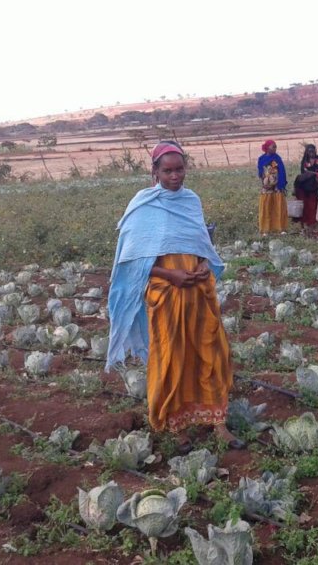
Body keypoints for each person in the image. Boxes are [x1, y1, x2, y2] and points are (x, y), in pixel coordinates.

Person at [106, 141, 245, 451]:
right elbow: (133, 259)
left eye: (179, 169)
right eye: (167, 170)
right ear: (154, 172)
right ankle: (176, 426)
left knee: (211, 351)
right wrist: (171, 275)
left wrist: (203, 264)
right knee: (173, 356)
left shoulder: (191, 201)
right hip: (167, 292)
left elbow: (201, 242)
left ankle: (218, 422)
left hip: (198, 290)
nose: (174, 176)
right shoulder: (144, 205)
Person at [257, 139, 289, 234]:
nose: (275, 148)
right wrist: (264, 182)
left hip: (277, 187)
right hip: (267, 187)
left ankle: (280, 228)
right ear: (267, 148)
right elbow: (260, 171)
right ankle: (266, 229)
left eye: (276, 146)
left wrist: (281, 184)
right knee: (266, 207)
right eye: (273, 146)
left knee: (278, 207)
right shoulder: (261, 159)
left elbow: (281, 170)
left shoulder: (276, 158)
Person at [293, 143, 318, 232]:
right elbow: (304, 173)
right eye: (310, 151)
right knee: (305, 205)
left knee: (314, 204)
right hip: (304, 186)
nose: (312, 153)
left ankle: (315, 223)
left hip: (316, 184)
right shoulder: (305, 161)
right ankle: (305, 224)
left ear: (315, 151)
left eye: (313, 151)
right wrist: (314, 173)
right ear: (307, 152)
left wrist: (313, 174)